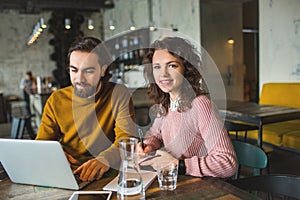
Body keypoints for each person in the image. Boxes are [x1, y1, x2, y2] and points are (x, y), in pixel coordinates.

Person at [36, 37, 136, 182]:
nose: (79, 78)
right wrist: (55, 154)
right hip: (68, 172)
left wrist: (104, 159)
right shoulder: (56, 99)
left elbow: (126, 139)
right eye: (74, 70)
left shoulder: (119, 94)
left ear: (103, 70)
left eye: (88, 71)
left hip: (106, 171)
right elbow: (42, 143)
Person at [137, 36, 237, 178]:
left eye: (172, 65)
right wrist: (147, 146)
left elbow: (227, 163)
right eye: (157, 67)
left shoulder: (201, 105)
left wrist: (179, 165)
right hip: (178, 183)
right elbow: (155, 134)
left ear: (187, 69)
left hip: (203, 188)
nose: (163, 74)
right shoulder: (166, 103)